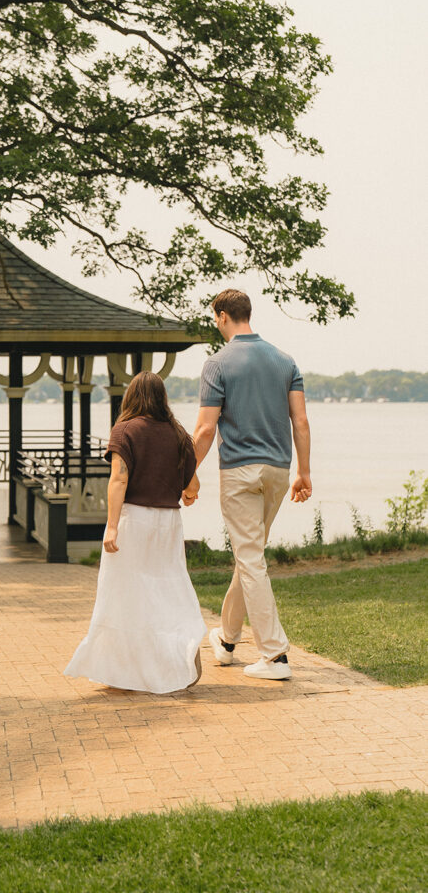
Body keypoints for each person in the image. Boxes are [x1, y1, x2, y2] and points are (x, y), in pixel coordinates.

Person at [192, 289, 312, 680]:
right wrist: (304, 472)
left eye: (215, 318)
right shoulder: (285, 360)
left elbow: (206, 428)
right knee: (251, 556)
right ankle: (226, 640)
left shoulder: (217, 364)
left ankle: (275, 656)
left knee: (250, 558)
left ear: (223, 316)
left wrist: (186, 472)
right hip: (279, 471)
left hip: (240, 473)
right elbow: (301, 422)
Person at [65, 371, 207, 694]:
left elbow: (119, 479)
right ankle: (181, 649)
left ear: (131, 397)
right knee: (169, 587)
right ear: (162, 399)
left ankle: (125, 668)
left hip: (134, 521)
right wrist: (187, 493)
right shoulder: (178, 434)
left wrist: (111, 525)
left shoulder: (125, 430)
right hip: (168, 524)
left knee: (125, 595)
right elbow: (193, 484)